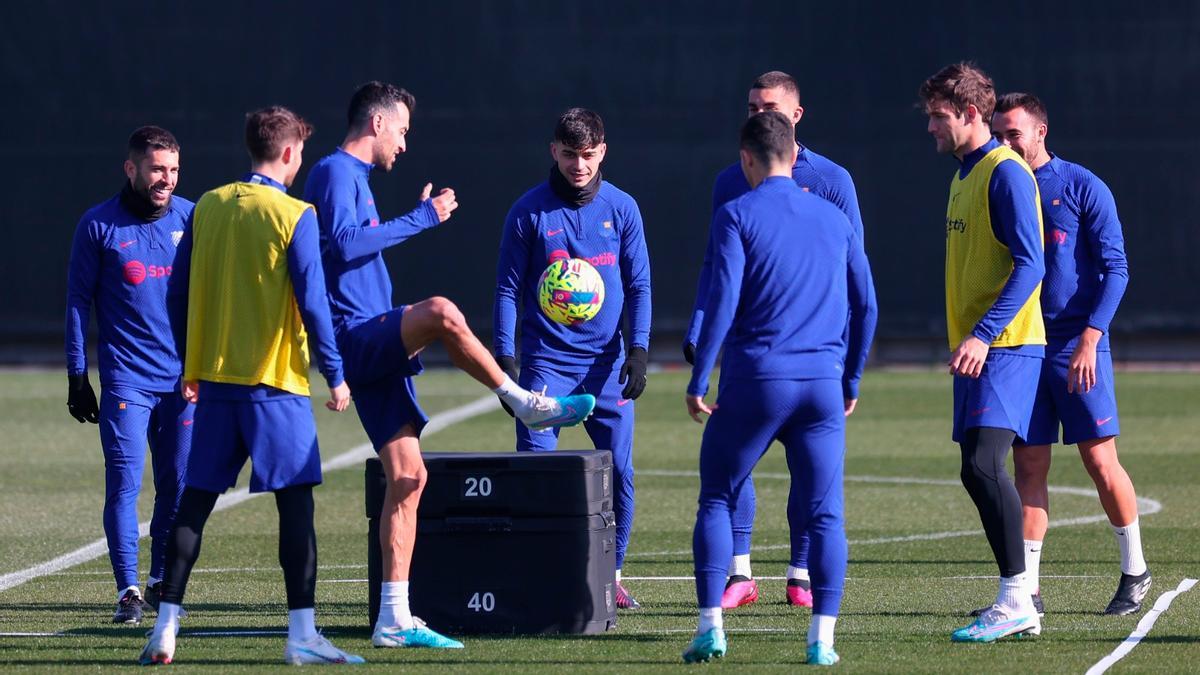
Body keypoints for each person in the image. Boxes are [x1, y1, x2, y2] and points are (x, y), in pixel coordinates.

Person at [303, 81, 596, 649]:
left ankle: (393, 618)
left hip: (374, 344)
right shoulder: (336, 172)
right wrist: (422, 219)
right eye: (404, 132)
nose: (405, 146)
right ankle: (524, 401)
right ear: (378, 123)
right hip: (357, 337)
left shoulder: (355, 179)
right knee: (440, 311)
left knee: (410, 480)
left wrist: (412, 218)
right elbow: (341, 247)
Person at [140, 106, 362, 665]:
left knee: (193, 503)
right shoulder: (294, 212)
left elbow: (177, 293)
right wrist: (335, 374)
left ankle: (165, 626)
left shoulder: (208, 206)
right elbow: (314, 302)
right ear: (289, 153)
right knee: (296, 508)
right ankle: (302, 636)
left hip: (214, 385)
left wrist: (191, 365)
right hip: (274, 386)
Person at [682, 111, 877, 666]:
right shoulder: (834, 217)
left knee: (718, 496)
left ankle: (711, 629)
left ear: (746, 158)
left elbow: (720, 302)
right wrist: (853, 375)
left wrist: (699, 378)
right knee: (826, 514)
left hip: (756, 381)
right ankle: (822, 641)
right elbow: (867, 303)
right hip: (820, 386)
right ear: (795, 156)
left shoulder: (735, 213)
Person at [991, 92, 1149, 615]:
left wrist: (1091, 337)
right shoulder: (996, 183)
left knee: (1100, 461)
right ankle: (1026, 589)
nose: (1004, 142)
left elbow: (1116, 270)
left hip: (1077, 346)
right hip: (1023, 347)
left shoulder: (1082, 185)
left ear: (1041, 131)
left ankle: (1135, 572)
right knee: (1027, 467)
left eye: (1013, 132)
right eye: (999, 133)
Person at [494, 107, 652, 609]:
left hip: (608, 366)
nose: (578, 165)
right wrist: (504, 359)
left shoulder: (622, 208)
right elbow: (507, 288)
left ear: (602, 150)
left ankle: (612, 573)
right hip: (546, 365)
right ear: (553, 151)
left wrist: (641, 349)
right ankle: (540, 572)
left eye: (587, 155)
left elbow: (639, 284)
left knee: (620, 473)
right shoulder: (528, 212)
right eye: (569, 154)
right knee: (537, 471)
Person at [919, 62, 1047, 642]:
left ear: (971, 114)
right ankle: (1017, 597)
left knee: (984, 465)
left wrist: (983, 333)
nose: (930, 128)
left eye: (938, 117)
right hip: (979, 351)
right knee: (974, 471)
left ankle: (1019, 598)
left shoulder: (1006, 172)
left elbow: (1032, 264)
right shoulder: (961, 175)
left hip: (1008, 346)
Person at [65, 126, 195, 625]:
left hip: (184, 381)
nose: (166, 179)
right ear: (132, 169)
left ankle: (163, 579)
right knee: (124, 484)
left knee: (178, 485)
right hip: (127, 380)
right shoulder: (98, 225)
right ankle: (128, 591)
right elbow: (78, 301)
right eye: (158, 169)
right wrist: (78, 375)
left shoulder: (192, 218)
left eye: (174, 170)